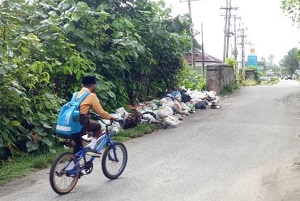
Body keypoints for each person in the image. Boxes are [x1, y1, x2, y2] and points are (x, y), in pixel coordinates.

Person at [72, 75, 116, 156]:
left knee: (78, 145)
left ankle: (75, 166)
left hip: (72, 121)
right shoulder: (91, 95)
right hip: (81, 121)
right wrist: (111, 117)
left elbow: (78, 107)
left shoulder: (76, 94)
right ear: (93, 86)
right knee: (97, 126)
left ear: (82, 85)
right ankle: (92, 148)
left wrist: (88, 111)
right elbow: (101, 112)